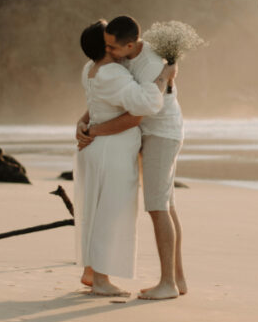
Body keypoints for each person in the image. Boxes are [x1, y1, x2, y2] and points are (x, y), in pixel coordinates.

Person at [77, 15, 186, 301]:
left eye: (113, 47)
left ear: (128, 45)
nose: (110, 52)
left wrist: (165, 75)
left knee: (158, 206)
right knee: (163, 205)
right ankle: (176, 279)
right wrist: (87, 120)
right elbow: (108, 96)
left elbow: (140, 111)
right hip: (135, 136)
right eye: (107, 47)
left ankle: (169, 283)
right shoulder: (117, 62)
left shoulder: (150, 64)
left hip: (160, 132)